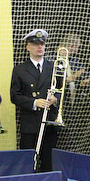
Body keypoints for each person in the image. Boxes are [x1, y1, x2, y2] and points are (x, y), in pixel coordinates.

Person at [10, 29, 60, 172]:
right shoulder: (20, 69)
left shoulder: (54, 67)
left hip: (49, 122)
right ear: (28, 47)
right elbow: (14, 96)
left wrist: (55, 99)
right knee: (28, 163)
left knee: (49, 162)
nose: (40, 47)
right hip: (30, 123)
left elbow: (62, 90)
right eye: (35, 44)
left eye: (42, 44)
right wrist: (34, 102)